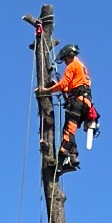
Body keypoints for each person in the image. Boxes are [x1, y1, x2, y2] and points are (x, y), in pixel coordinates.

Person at [38, 44, 97, 174]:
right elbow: (67, 87)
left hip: (78, 101)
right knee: (69, 128)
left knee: (69, 131)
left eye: (65, 59)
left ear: (69, 55)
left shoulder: (73, 66)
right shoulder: (81, 67)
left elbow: (64, 84)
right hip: (85, 103)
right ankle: (73, 156)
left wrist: (46, 91)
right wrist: (57, 87)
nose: (65, 62)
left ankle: (60, 160)